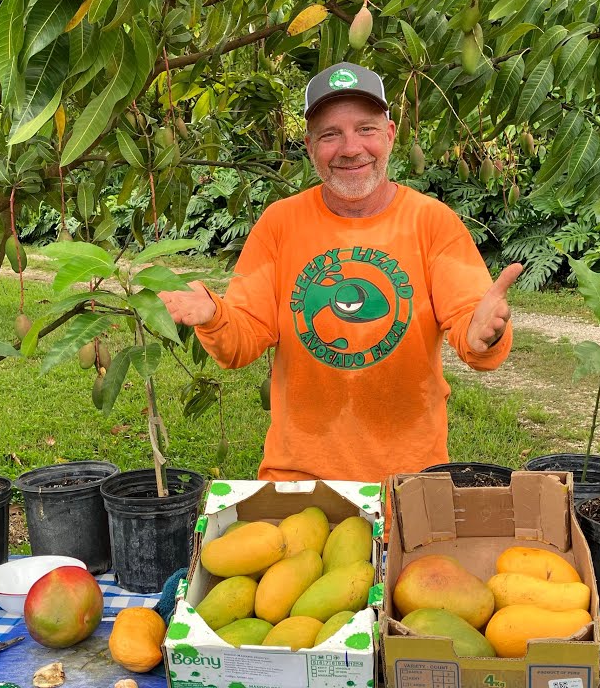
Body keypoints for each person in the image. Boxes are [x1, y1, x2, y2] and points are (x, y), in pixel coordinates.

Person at [158, 62, 522, 482]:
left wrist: (484, 336)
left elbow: (471, 326)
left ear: (389, 134)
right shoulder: (280, 224)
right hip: (298, 476)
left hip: (410, 481)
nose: (350, 148)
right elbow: (241, 342)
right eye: (331, 134)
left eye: (365, 129)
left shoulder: (432, 223)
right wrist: (215, 316)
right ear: (310, 146)